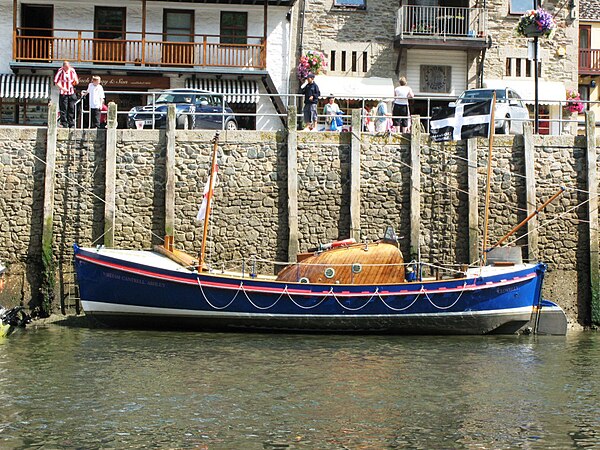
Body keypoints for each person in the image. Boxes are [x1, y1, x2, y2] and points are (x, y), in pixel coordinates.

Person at [54, 61, 79, 128]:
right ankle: (64, 123)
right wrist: (62, 88)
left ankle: (71, 123)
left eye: (68, 67)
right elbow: (56, 82)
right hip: (63, 93)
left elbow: (76, 80)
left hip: (71, 92)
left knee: (71, 108)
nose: (67, 69)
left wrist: (75, 82)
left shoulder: (72, 70)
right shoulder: (60, 71)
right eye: (66, 68)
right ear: (63, 67)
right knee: (63, 108)